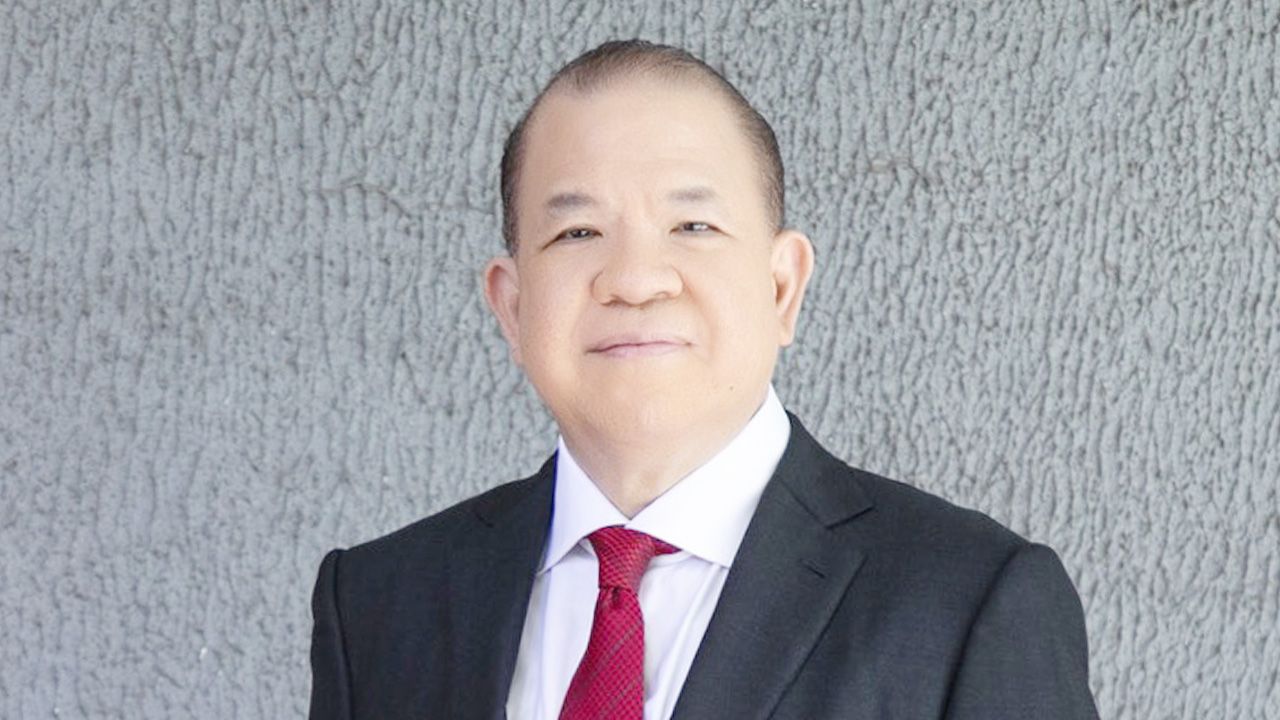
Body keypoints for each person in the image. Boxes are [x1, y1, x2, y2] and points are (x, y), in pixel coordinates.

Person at [308, 40, 1100, 720]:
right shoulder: (377, 602)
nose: (635, 280)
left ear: (782, 286)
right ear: (512, 307)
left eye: (693, 225)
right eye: (578, 231)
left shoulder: (968, 600)